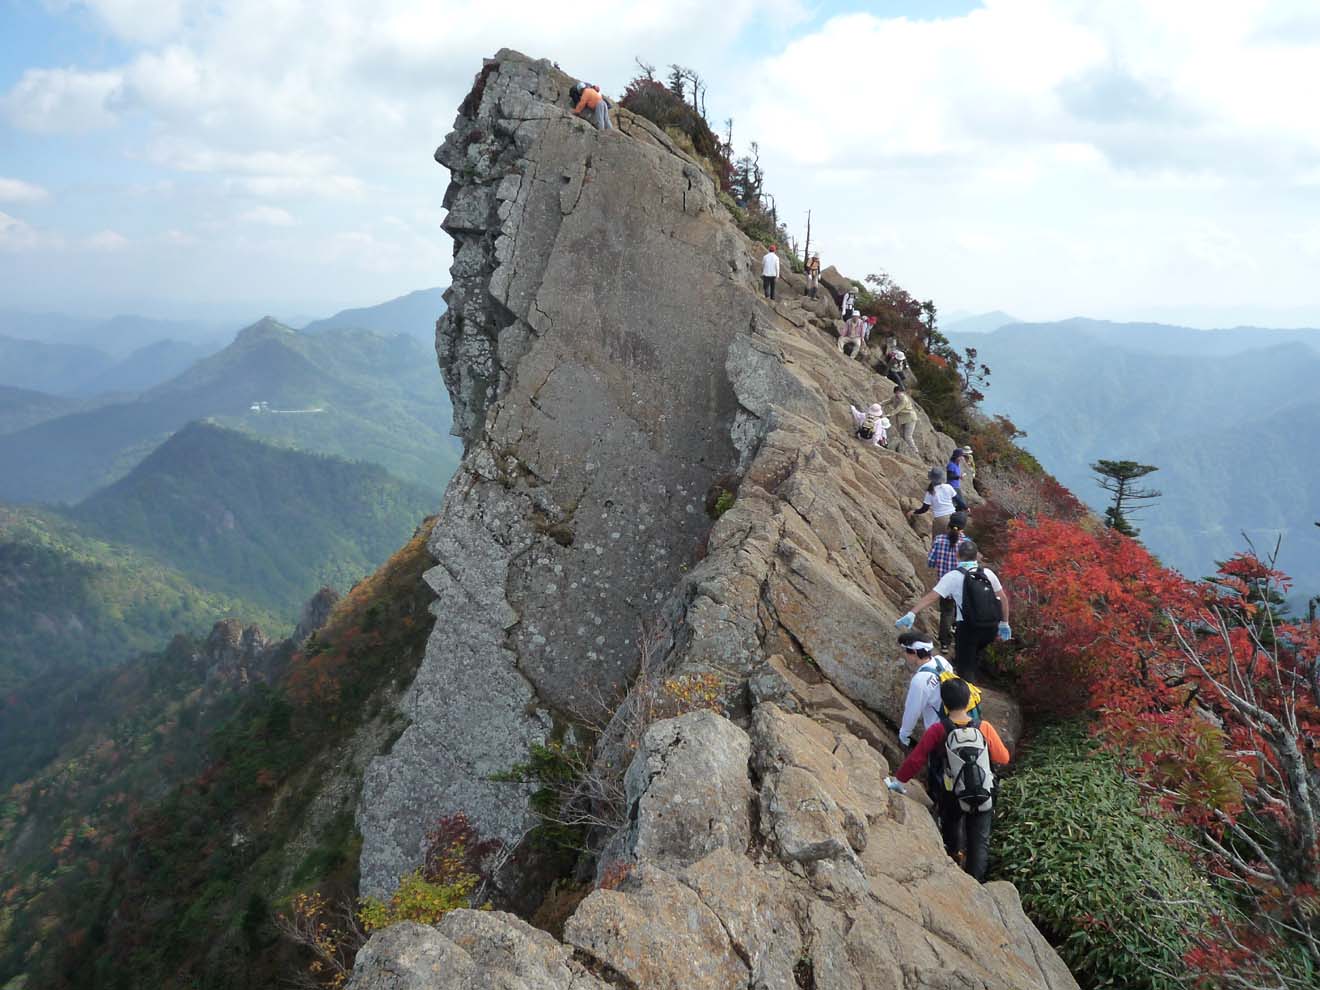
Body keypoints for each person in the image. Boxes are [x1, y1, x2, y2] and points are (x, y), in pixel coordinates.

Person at [893, 677, 1011, 882]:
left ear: (944, 703)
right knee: (979, 841)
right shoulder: (984, 727)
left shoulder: (938, 730)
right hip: (983, 792)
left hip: (952, 793)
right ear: (968, 701)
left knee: (951, 830)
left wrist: (899, 781)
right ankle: (977, 883)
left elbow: (916, 759)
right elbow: (1004, 758)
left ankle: (954, 861)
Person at [895, 539, 1011, 683]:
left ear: (957, 555)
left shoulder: (953, 576)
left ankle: (968, 698)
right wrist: (1004, 623)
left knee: (965, 670)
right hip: (990, 628)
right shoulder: (987, 573)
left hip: (968, 629)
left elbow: (932, 597)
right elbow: (1003, 599)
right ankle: (973, 676)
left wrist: (912, 613)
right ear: (977, 556)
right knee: (975, 657)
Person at [896, 632, 955, 750]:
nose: (905, 654)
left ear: (916, 653)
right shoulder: (941, 661)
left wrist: (904, 735)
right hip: (957, 720)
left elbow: (912, 710)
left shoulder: (920, 680)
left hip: (939, 731)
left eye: (907, 651)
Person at [927, 512, 970, 654]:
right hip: (962, 584)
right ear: (963, 527)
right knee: (960, 612)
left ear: (949, 524)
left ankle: (945, 643)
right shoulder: (967, 543)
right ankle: (958, 636)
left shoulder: (939, 540)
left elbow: (931, 562)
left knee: (946, 612)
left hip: (944, 584)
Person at [909, 467, 965, 544]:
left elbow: (924, 509)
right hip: (953, 517)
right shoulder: (948, 487)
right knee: (954, 540)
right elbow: (958, 500)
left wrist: (914, 511)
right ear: (941, 478)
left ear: (931, 479)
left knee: (937, 542)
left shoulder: (930, 493)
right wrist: (965, 507)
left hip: (940, 519)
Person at [884, 384, 920, 457]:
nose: (898, 394)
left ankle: (915, 450)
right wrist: (880, 404)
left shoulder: (904, 399)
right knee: (902, 435)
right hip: (902, 419)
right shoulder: (895, 397)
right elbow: (888, 401)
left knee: (908, 436)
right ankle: (905, 449)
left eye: (899, 392)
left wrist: (889, 414)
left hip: (910, 418)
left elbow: (898, 409)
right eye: (896, 393)